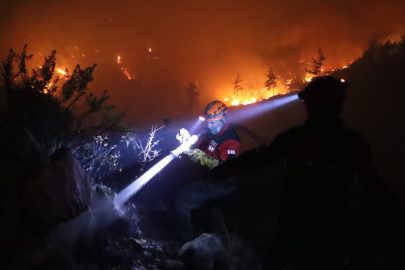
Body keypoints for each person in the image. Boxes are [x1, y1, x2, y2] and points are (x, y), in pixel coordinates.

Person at [208, 76, 400, 269]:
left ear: (311, 105)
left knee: (276, 261)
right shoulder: (353, 142)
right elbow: (374, 187)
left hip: (294, 221)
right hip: (332, 224)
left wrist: (223, 170)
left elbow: (261, 158)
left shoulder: (295, 138)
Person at [175, 100, 241, 242]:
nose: (209, 126)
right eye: (208, 122)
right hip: (211, 179)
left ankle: (185, 243)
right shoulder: (210, 132)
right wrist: (187, 139)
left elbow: (224, 167)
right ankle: (218, 241)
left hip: (222, 183)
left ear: (224, 118)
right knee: (214, 209)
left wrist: (194, 154)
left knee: (181, 201)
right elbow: (198, 145)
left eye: (213, 123)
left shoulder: (231, 142)